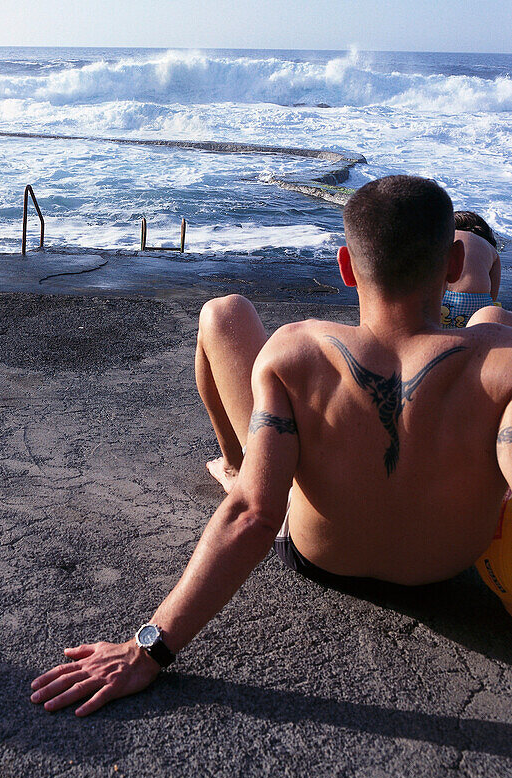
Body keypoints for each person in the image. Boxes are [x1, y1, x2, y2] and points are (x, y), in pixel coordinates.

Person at [30, 176, 512, 718]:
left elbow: (255, 516)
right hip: (444, 569)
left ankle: (241, 463)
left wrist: (147, 650)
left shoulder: (298, 351)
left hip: (320, 558)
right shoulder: (502, 361)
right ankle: (244, 464)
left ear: (347, 266)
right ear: (451, 265)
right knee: (492, 318)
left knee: (224, 313)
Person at [441, 210, 502, 328]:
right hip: (476, 308)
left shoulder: (443, 237)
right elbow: (493, 296)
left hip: (440, 302)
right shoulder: (491, 249)